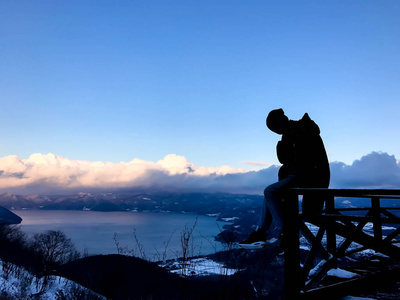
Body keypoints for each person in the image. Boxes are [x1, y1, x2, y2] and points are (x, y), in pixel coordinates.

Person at [239, 108, 330, 249]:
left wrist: (283, 151)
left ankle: (284, 233)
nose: (275, 131)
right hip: (308, 176)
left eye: (274, 127)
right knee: (269, 194)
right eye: (273, 129)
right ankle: (261, 233)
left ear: (281, 122)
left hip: (308, 177)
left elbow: (294, 160)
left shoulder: (297, 132)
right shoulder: (296, 131)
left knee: (269, 192)